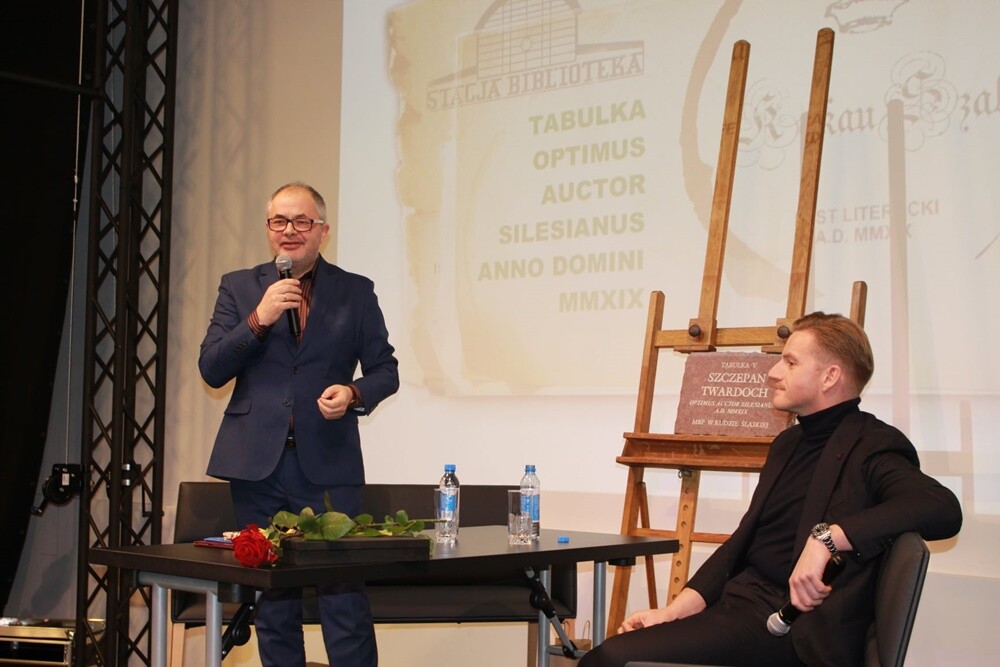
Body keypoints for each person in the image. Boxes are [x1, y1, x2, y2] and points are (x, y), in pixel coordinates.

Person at [580, 312, 962, 667]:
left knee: (611, 659)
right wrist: (672, 612)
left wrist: (828, 538)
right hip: (738, 608)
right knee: (613, 653)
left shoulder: (873, 445)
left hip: (792, 629)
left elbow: (941, 507)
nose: (773, 373)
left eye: (790, 362)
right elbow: (740, 544)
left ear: (830, 377)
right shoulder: (787, 443)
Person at [199, 181, 399, 667]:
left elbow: (385, 370)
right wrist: (259, 318)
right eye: (279, 221)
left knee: (343, 601)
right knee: (273, 604)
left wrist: (353, 393)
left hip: (328, 464)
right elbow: (212, 368)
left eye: (302, 221)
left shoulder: (355, 290)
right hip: (256, 467)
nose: (289, 230)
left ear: (323, 231)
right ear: (268, 229)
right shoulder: (239, 286)